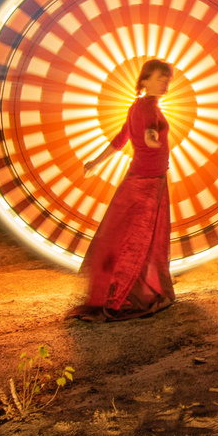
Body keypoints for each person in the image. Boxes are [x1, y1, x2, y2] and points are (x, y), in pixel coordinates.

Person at [65, 59, 176, 321]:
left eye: (167, 79)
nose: (165, 83)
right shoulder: (147, 106)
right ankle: (122, 296)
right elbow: (148, 128)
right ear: (145, 80)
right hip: (147, 182)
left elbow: (119, 140)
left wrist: (95, 162)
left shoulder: (135, 106)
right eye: (160, 77)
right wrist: (151, 137)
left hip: (141, 178)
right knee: (138, 241)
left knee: (125, 237)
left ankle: (115, 290)